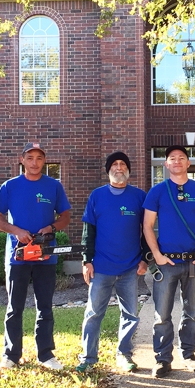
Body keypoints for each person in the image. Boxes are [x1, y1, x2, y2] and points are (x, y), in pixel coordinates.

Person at [0, 142, 71, 371]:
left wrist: (51, 228)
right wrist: (17, 231)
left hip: (46, 256)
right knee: (15, 307)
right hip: (18, 257)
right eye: (30, 157)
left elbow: (65, 216)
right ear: (22, 160)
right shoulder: (10, 186)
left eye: (39, 158)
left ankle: (46, 354)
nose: (35, 162)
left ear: (44, 161)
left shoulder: (54, 186)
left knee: (45, 307)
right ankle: (11, 355)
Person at [143, 145, 195, 378]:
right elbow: (147, 226)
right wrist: (157, 255)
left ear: (188, 163)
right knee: (162, 315)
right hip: (167, 263)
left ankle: (189, 355)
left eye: (181, 158)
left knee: (191, 313)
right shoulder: (157, 192)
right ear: (166, 164)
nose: (177, 161)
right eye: (172, 158)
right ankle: (162, 359)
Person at [75, 151, 148, 373]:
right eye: (114, 164)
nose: (119, 167)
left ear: (128, 170)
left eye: (122, 164)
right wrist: (86, 260)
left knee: (131, 314)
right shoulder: (97, 196)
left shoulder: (139, 196)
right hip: (101, 268)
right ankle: (88, 358)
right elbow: (88, 231)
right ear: (108, 170)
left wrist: (145, 259)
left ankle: (124, 355)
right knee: (94, 313)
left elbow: (146, 231)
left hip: (130, 267)